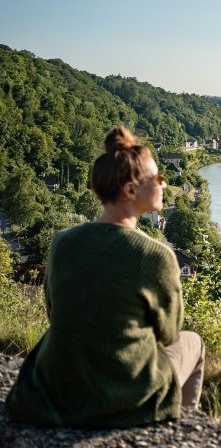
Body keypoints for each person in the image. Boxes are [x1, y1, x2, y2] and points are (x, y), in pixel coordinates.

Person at [6, 126, 204, 427]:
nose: (164, 184)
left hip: (54, 392)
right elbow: (169, 334)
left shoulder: (62, 242)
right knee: (194, 344)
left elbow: (54, 312)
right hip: (124, 398)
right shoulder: (157, 256)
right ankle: (182, 430)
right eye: (157, 179)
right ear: (130, 190)